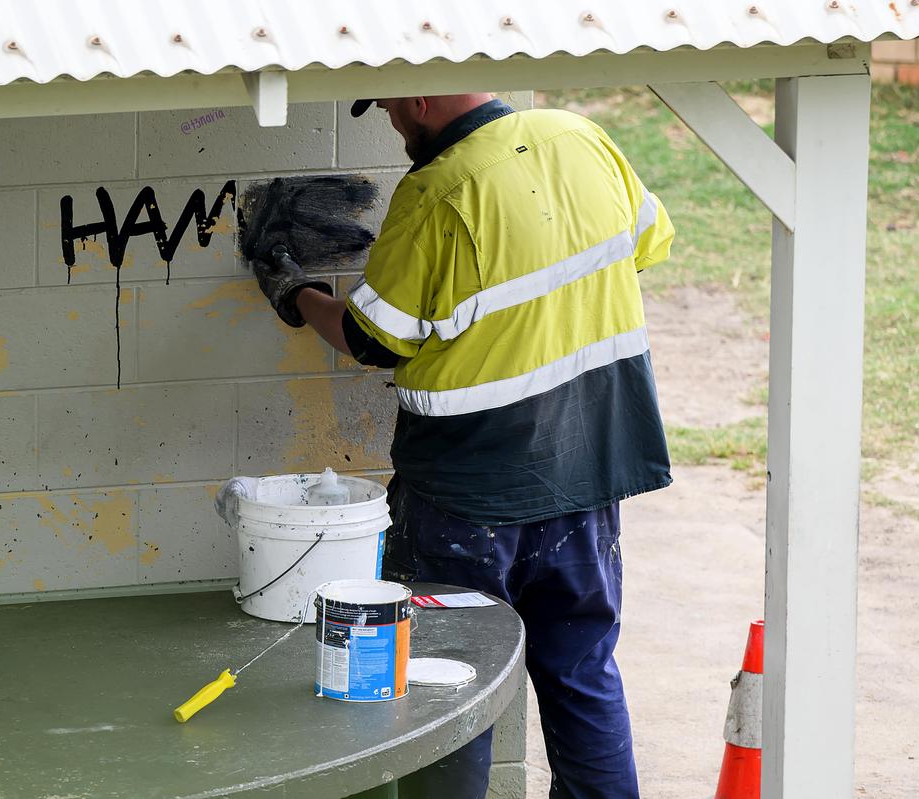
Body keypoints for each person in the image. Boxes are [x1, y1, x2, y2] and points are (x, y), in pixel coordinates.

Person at [249, 93, 675, 799]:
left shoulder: (436, 192)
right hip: (587, 477)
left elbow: (370, 339)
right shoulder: (582, 137)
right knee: (583, 672)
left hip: (466, 500)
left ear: (420, 98)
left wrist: (299, 294)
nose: (389, 123)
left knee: (448, 692)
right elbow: (650, 242)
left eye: (389, 108)